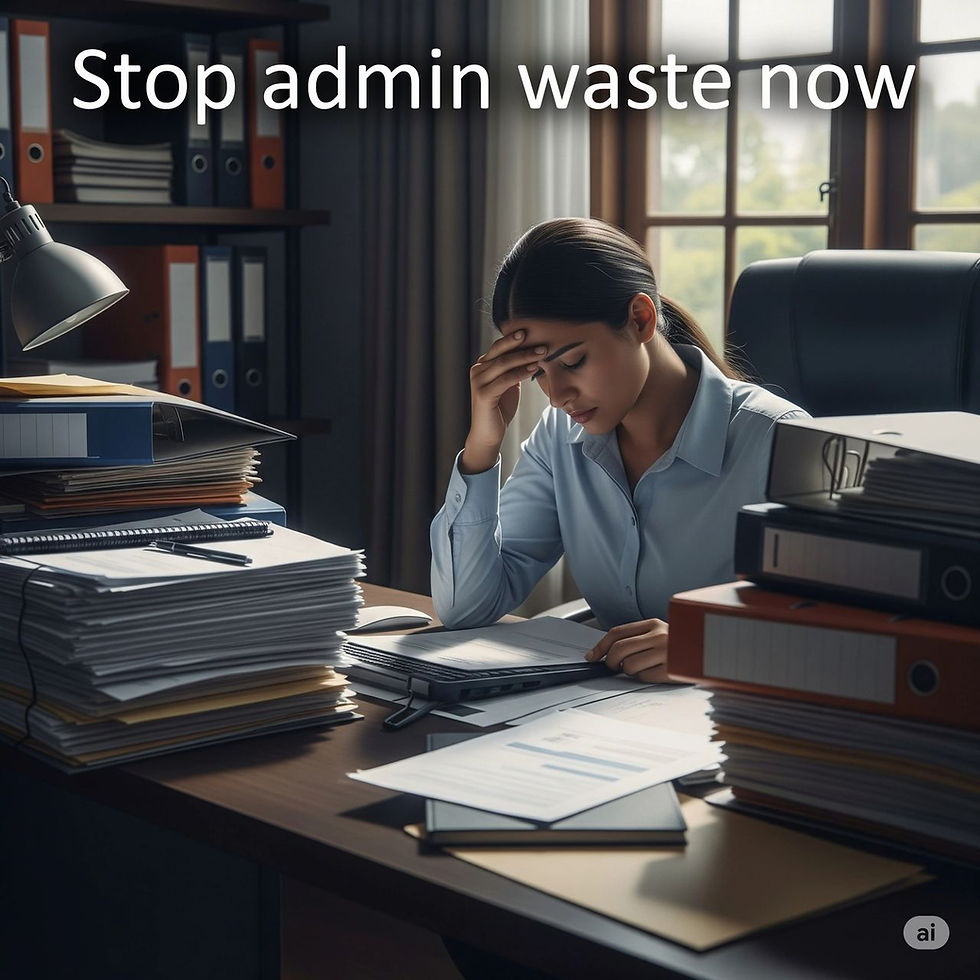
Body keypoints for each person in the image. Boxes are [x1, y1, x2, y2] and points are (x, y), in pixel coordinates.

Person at [429, 217, 808, 682]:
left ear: (640, 319)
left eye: (572, 362)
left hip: (739, 724)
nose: (556, 394)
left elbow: (839, 634)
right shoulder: (559, 439)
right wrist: (482, 445)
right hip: (604, 720)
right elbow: (467, 608)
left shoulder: (781, 441)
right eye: (537, 374)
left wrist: (710, 644)